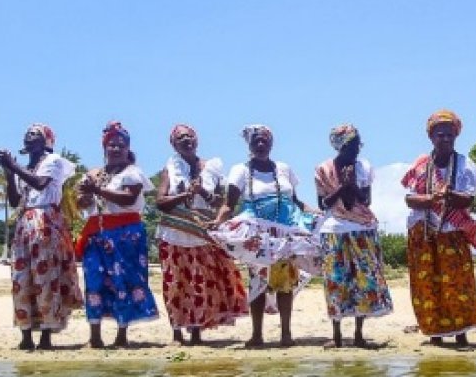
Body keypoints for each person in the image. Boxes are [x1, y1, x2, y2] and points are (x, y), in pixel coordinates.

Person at [211, 124, 321, 348]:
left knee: (285, 283)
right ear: (249, 145)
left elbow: (296, 202)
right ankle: (257, 335)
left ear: (271, 143)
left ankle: (286, 335)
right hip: (257, 234)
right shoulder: (240, 170)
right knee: (258, 281)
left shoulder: (284, 168)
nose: (260, 144)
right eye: (256, 141)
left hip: (285, 232)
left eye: (264, 140)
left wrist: (318, 215)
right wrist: (217, 223)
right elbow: (228, 204)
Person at [0, 123, 84, 350]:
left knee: (45, 277)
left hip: (46, 221)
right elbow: (15, 202)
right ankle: (25, 334)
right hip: (25, 223)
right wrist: (9, 174)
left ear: (46, 141)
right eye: (27, 135)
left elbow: (41, 184)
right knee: (22, 279)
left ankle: (45, 335)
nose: (28, 137)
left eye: (34, 135)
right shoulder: (25, 168)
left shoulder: (54, 162)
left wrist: (13, 166)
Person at [154, 124, 248, 346]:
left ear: (196, 140)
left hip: (201, 232)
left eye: (189, 137)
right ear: (174, 145)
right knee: (176, 283)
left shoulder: (212, 167)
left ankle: (196, 331)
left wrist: (202, 192)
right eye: (181, 138)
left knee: (200, 282)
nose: (186, 140)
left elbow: (221, 202)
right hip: (174, 233)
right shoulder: (171, 168)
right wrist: (185, 195)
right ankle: (177, 332)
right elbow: (160, 201)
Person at [401, 109, 476, 347]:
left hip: (453, 232)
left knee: (457, 283)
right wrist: (431, 200)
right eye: (440, 135)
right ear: (431, 137)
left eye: (450, 135)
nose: (445, 139)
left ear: (456, 136)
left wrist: (448, 195)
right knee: (427, 283)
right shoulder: (420, 164)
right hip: (423, 233)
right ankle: (435, 334)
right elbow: (409, 199)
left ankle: (461, 333)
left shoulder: (465, 164)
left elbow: (468, 199)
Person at [75, 121, 159, 348]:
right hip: (96, 233)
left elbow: (128, 198)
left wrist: (97, 190)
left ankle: (122, 333)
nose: (115, 149)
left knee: (124, 280)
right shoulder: (94, 174)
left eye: (120, 145)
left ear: (127, 148)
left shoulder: (133, 173)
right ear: (104, 148)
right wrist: (85, 196)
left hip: (125, 234)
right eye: (111, 145)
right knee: (94, 281)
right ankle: (95, 335)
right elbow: (82, 202)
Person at [314, 124, 394, 348]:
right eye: (352, 144)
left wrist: (352, 186)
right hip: (334, 230)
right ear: (341, 146)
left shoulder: (364, 167)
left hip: (362, 228)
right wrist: (341, 188)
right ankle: (337, 336)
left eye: (358, 143)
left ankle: (359, 334)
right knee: (336, 281)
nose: (357, 148)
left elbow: (365, 201)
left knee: (364, 280)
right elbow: (324, 204)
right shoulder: (323, 169)